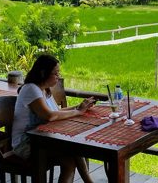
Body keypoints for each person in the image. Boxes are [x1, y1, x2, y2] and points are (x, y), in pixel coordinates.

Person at [11, 54, 95, 183]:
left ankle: (89, 181)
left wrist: (79, 106)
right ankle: (89, 181)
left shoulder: (44, 89)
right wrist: (78, 112)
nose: (58, 76)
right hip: (27, 144)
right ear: (43, 72)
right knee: (70, 158)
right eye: (55, 73)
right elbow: (49, 116)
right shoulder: (31, 89)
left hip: (43, 139)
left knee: (73, 151)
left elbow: (56, 111)